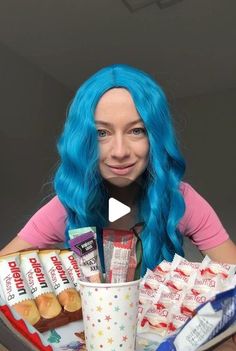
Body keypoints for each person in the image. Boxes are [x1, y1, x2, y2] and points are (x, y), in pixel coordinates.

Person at [1, 64, 236, 275]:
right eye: (101, 133)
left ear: (156, 137)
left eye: (136, 131)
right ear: (83, 141)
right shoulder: (68, 205)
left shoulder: (182, 200)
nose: (120, 151)